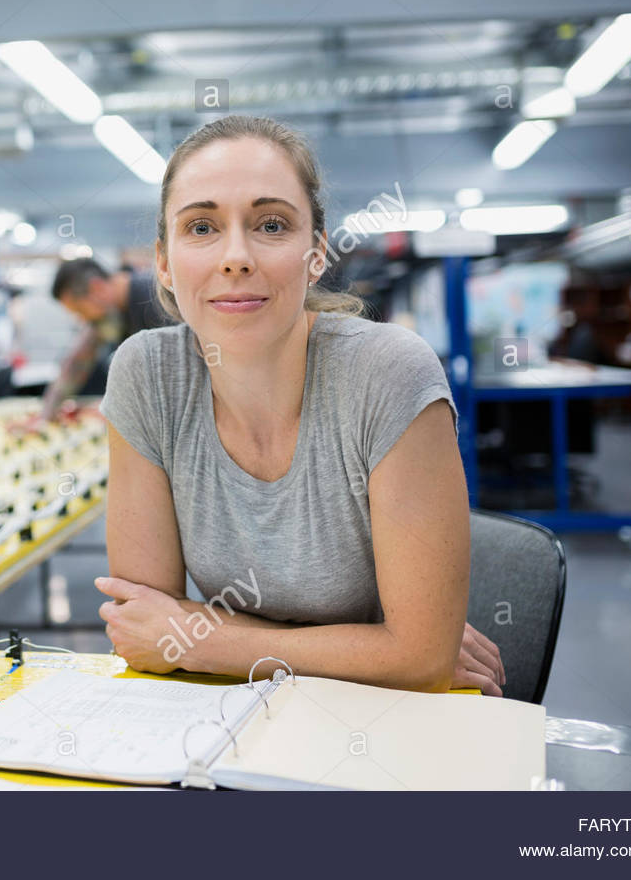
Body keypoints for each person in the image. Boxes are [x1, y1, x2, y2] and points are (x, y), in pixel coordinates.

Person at [95, 115, 506, 696]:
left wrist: (206, 639)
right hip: (233, 721)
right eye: (202, 227)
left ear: (316, 254)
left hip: (394, 720)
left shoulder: (386, 374)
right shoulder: (147, 376)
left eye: (270, 224)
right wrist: (373, 645)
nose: (235, 257)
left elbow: (420, 662)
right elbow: (142, 623)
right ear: (163, 261)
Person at [39, 257, 170, 420]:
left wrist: (118, 408)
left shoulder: (158, 301)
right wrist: (45, 417)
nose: (83, 320)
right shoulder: (108, 315)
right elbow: (76, 365)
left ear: (97, 288)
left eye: (80, 310)